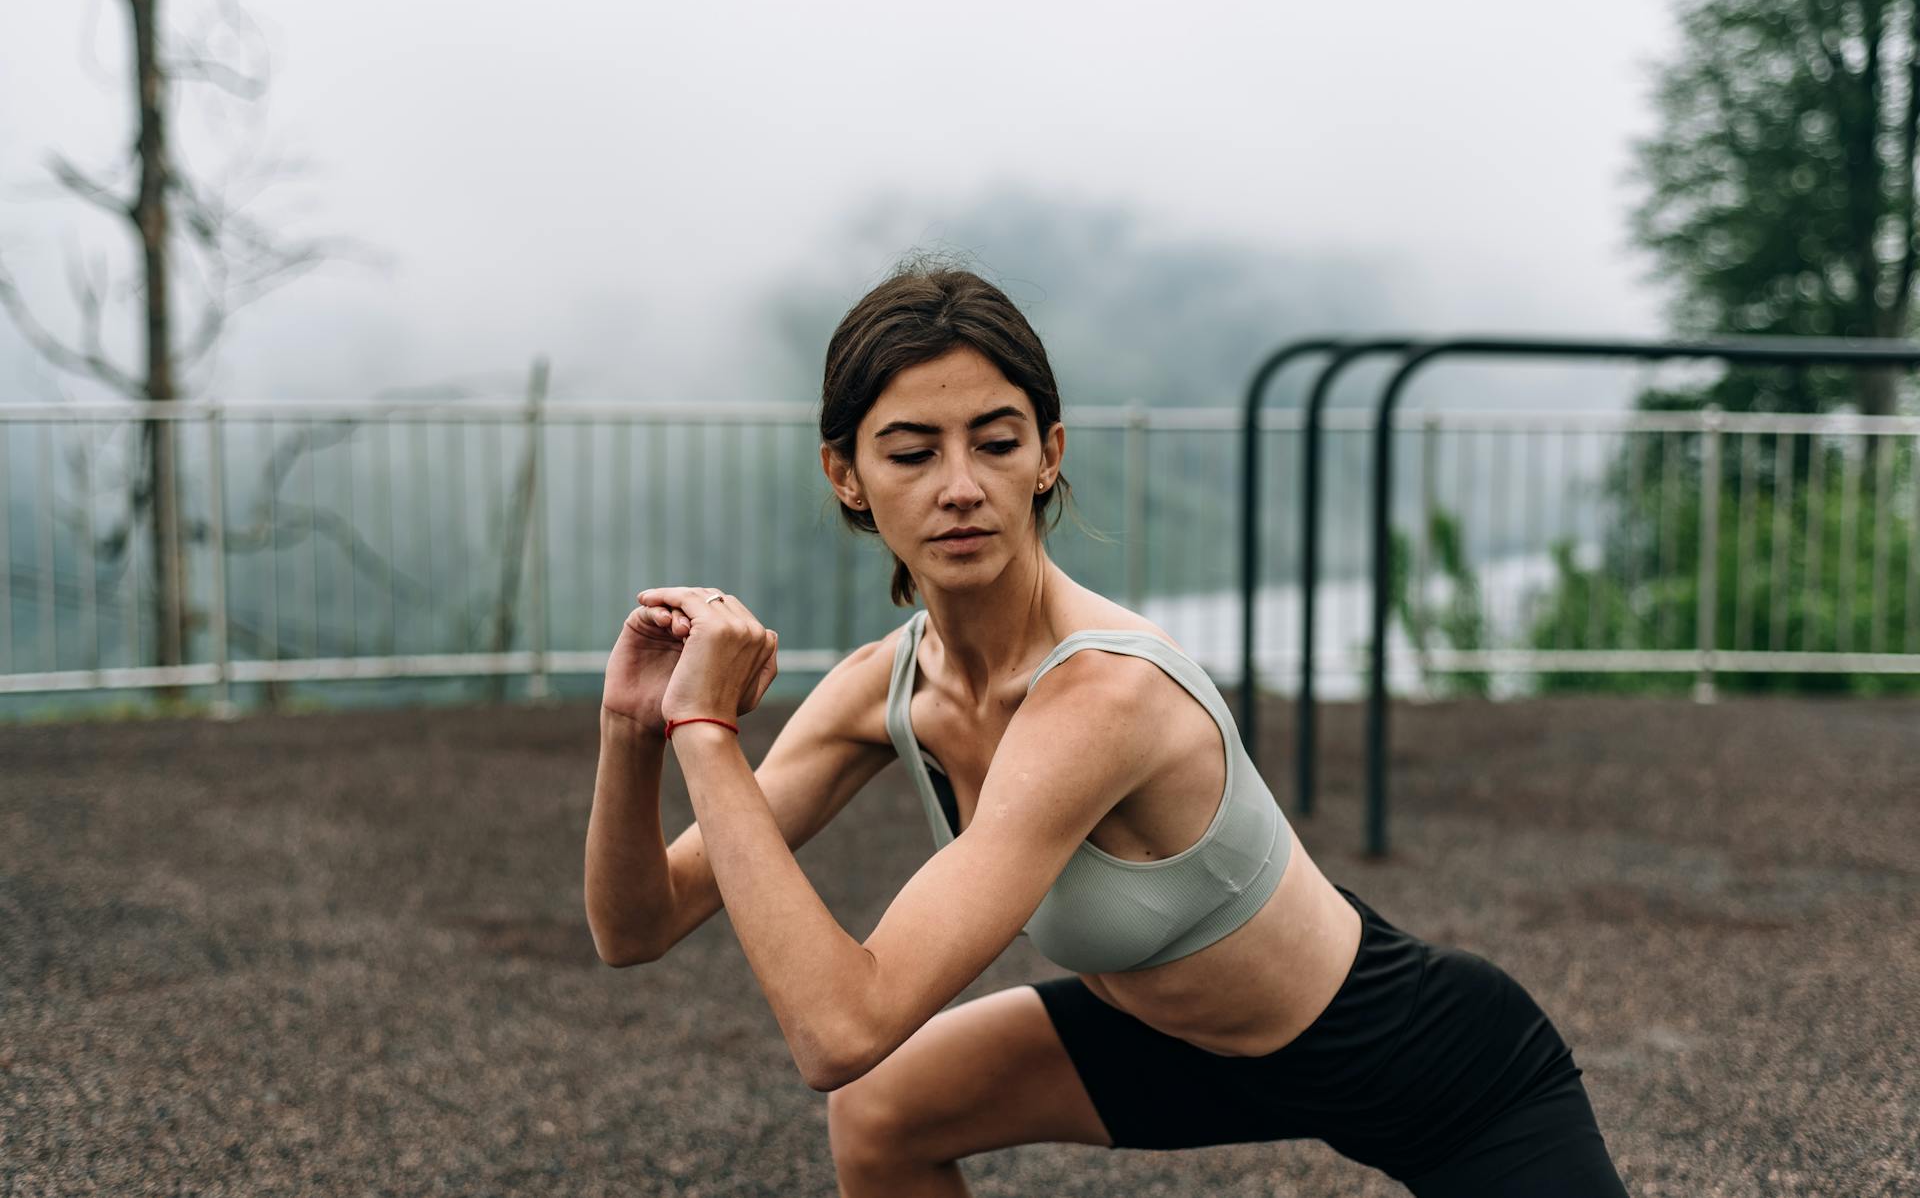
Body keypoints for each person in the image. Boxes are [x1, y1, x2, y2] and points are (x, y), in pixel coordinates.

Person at [584, 264, 1629, 1197]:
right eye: (910, 452)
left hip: (1439, 1073)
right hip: (1179, 1041)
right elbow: (637, 926)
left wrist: (707, 731)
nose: (960, 486)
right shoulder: (885, 687)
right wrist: (637, 730)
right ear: (846, 476)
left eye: (996, 442)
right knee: (884, 1113)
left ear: (1048, 455)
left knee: (864, 1075)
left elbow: (839, 1026)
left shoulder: (1103, 696)